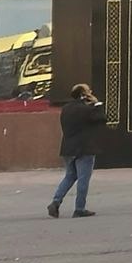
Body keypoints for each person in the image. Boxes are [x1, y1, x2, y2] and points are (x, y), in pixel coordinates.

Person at [45, 84, 99, 218]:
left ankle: (55, 202)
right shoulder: (85, 109)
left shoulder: (66, 109)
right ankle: (79, 208)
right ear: (83, 94)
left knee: (70, 176)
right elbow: (101, 118)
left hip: (68, 148)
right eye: (88, 91)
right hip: (84, 148)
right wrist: (97, 103)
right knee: (83, 178)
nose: (91, 91)